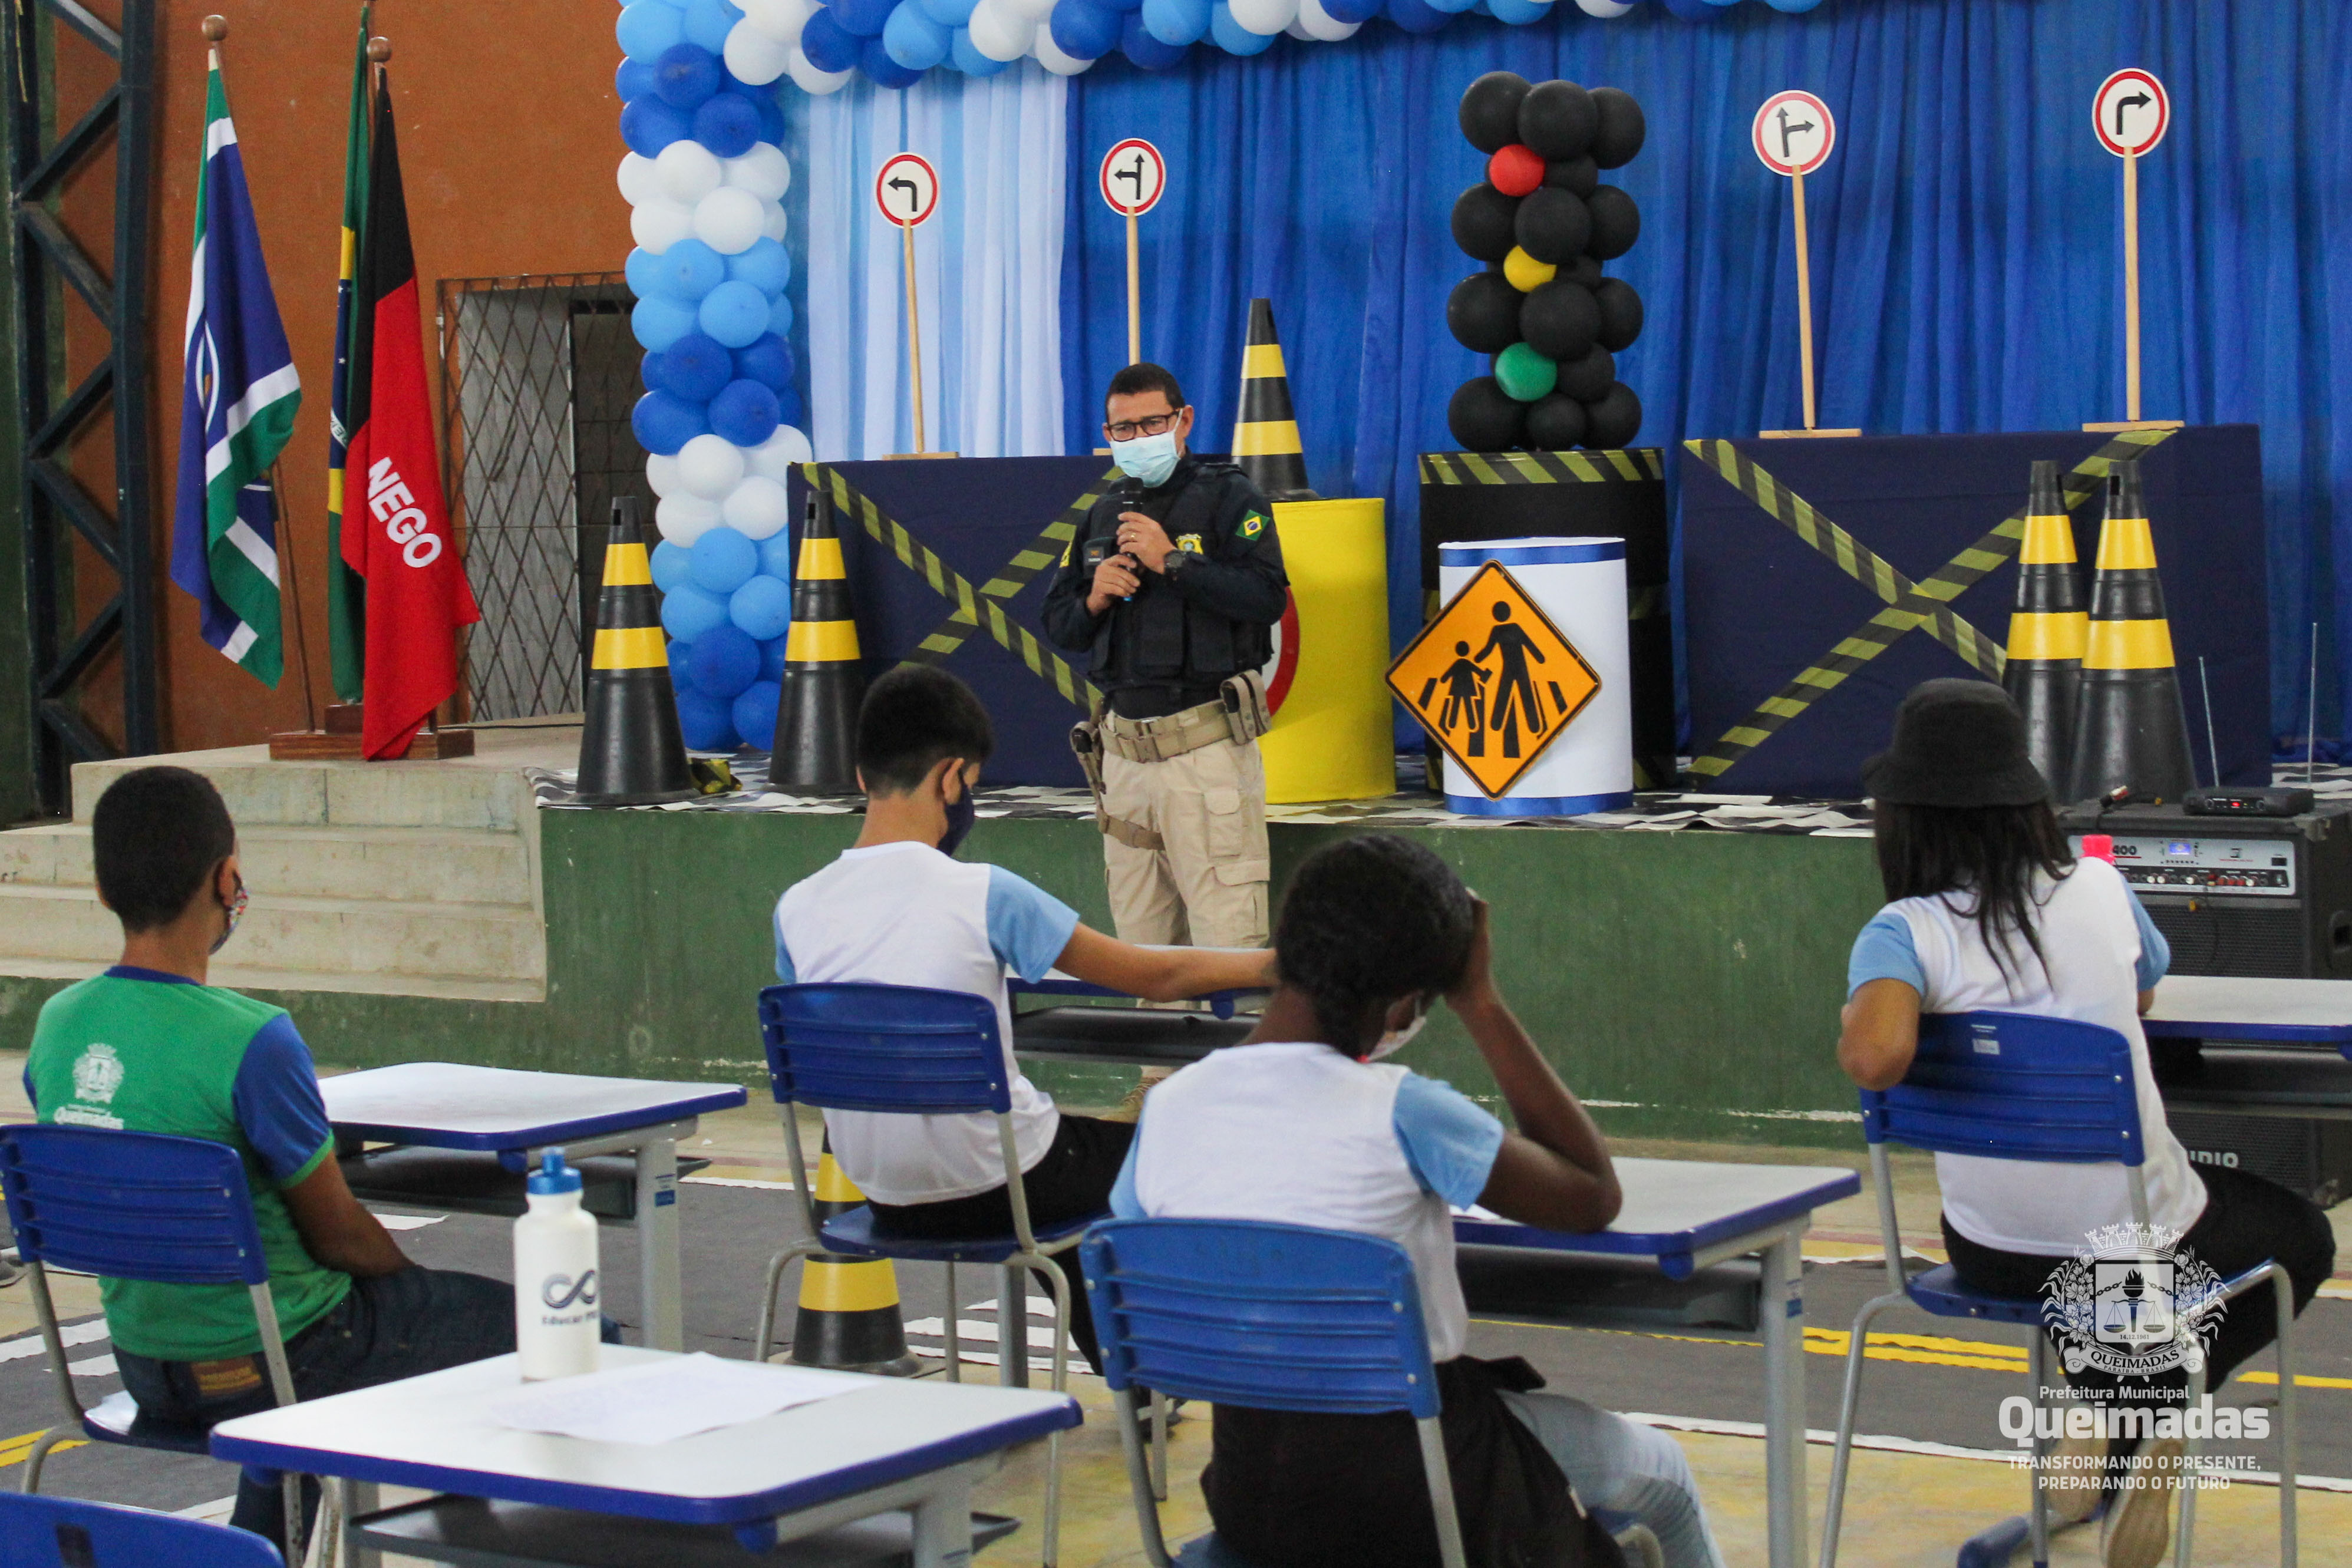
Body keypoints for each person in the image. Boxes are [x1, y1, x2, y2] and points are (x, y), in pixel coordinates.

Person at [1113, 833, 1726, 1568]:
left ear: (1286, 946)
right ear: (1405, 999)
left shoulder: (1169, 1108)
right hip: (1420, 1491)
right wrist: (1479, 999)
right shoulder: (1403, 1110)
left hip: (1255, 1496)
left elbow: (1142, 1256)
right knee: (1663, 1475)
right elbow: (1591, 1195)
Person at [1837, 679, 2334, 1568]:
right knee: (2293, 1237)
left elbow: (1873, 1058)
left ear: (1900, 823)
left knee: (2096, 1278)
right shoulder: (2098, 887)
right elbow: (2140, 994)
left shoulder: (1901, 932)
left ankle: (2105, 1423)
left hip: (1989, 1250)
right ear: (2027, 804)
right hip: (2128, 1250)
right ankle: (2151, 1415)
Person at [24, 767, 517, 1554]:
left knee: (308, 1369)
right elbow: (340, 1236)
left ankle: (263, 1547)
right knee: (558, 1328)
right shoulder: (254, 1039)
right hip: (279, 1365)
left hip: (146, 1366)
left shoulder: (58, 1025)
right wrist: (408, 1286)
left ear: (102, 888)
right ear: (227, 880)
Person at [770, 666, 1275, 1371]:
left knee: (1069, 1184)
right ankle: (1184, 1370)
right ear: (952, 778)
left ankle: (1139, 1375)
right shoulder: (987, 894)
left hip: (880, 1194)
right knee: (1175, 1152)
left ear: (862, 777)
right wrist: (1278, 962)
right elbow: (1157, 975)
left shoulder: (796, 909)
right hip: (1002, 1184)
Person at [1042, 361, 1286, 1118]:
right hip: (1124, 756)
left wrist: (1173, 562)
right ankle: (1157, 1091)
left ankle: (1241, 1107)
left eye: (1151, 423)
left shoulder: (1231, 499)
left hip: (1203, 748)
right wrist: (1094, 596)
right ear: (1106, 434)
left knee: (1226, 938)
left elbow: (1265, 597)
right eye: (1123, 428)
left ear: (1183, 421)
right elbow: (1059, 624)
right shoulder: (1098, 513)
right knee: (1142, 942)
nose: (1138, 438)